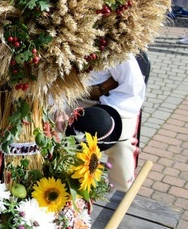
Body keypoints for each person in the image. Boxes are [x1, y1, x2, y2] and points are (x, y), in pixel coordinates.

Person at [62, 54, 146, 191]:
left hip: (117, 99)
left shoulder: (113, 44)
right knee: (50, 133)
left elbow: (132, 88)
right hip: (70, 99)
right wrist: (57, 108)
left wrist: (102, 112)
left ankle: (121, 190)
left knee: (121, 145)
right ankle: (62, 187)